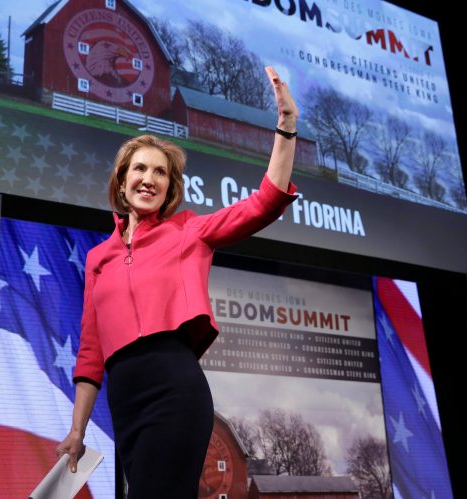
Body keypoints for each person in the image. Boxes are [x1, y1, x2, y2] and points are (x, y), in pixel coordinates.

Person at [56, 66, 299, 497]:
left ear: (170, 188)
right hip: (125, 402)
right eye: (140, 169)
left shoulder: (189, 231)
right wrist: (77, 432)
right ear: (122, 179)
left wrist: (285, 128)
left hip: (175, 388)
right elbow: (91, 356)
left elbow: (265, 203)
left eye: (161, 173)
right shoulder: (97, 259)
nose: (149, 178)